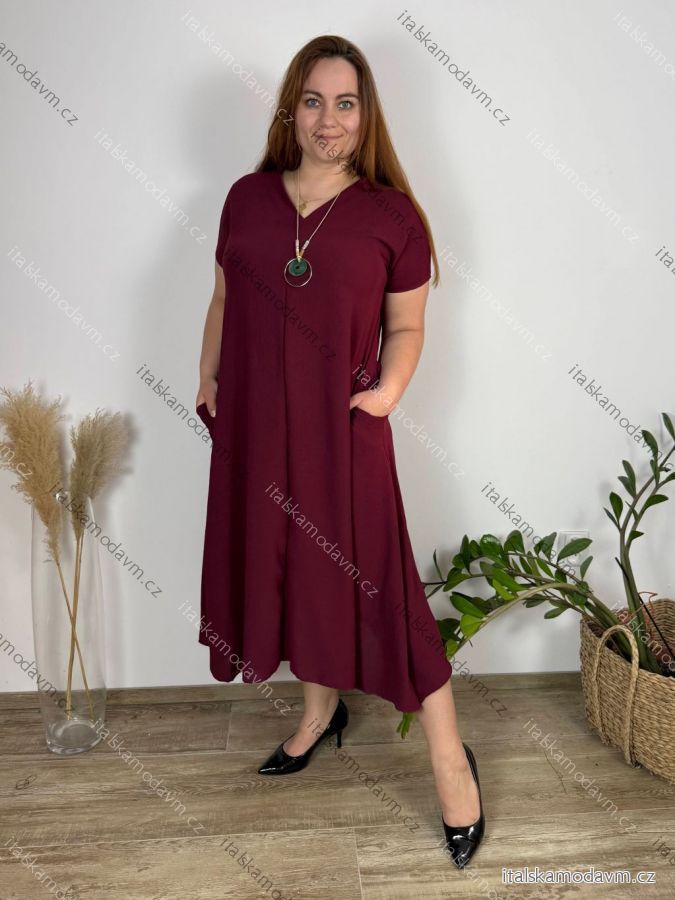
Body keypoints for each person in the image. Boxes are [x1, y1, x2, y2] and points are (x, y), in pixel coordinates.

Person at [196, 34, 484, 868]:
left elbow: (407, 325)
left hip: (340, 431)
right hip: (254, 427)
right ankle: (319, 714)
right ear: (291, 109)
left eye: (345, 103)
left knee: (384, 594)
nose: (329, 119)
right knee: (286, 570)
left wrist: (385, 395)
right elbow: (222, 297)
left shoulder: (391, 216)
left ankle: (449, 764)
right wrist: (207, 374)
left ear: (366, 115)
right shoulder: (247, 197)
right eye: (314, 101)